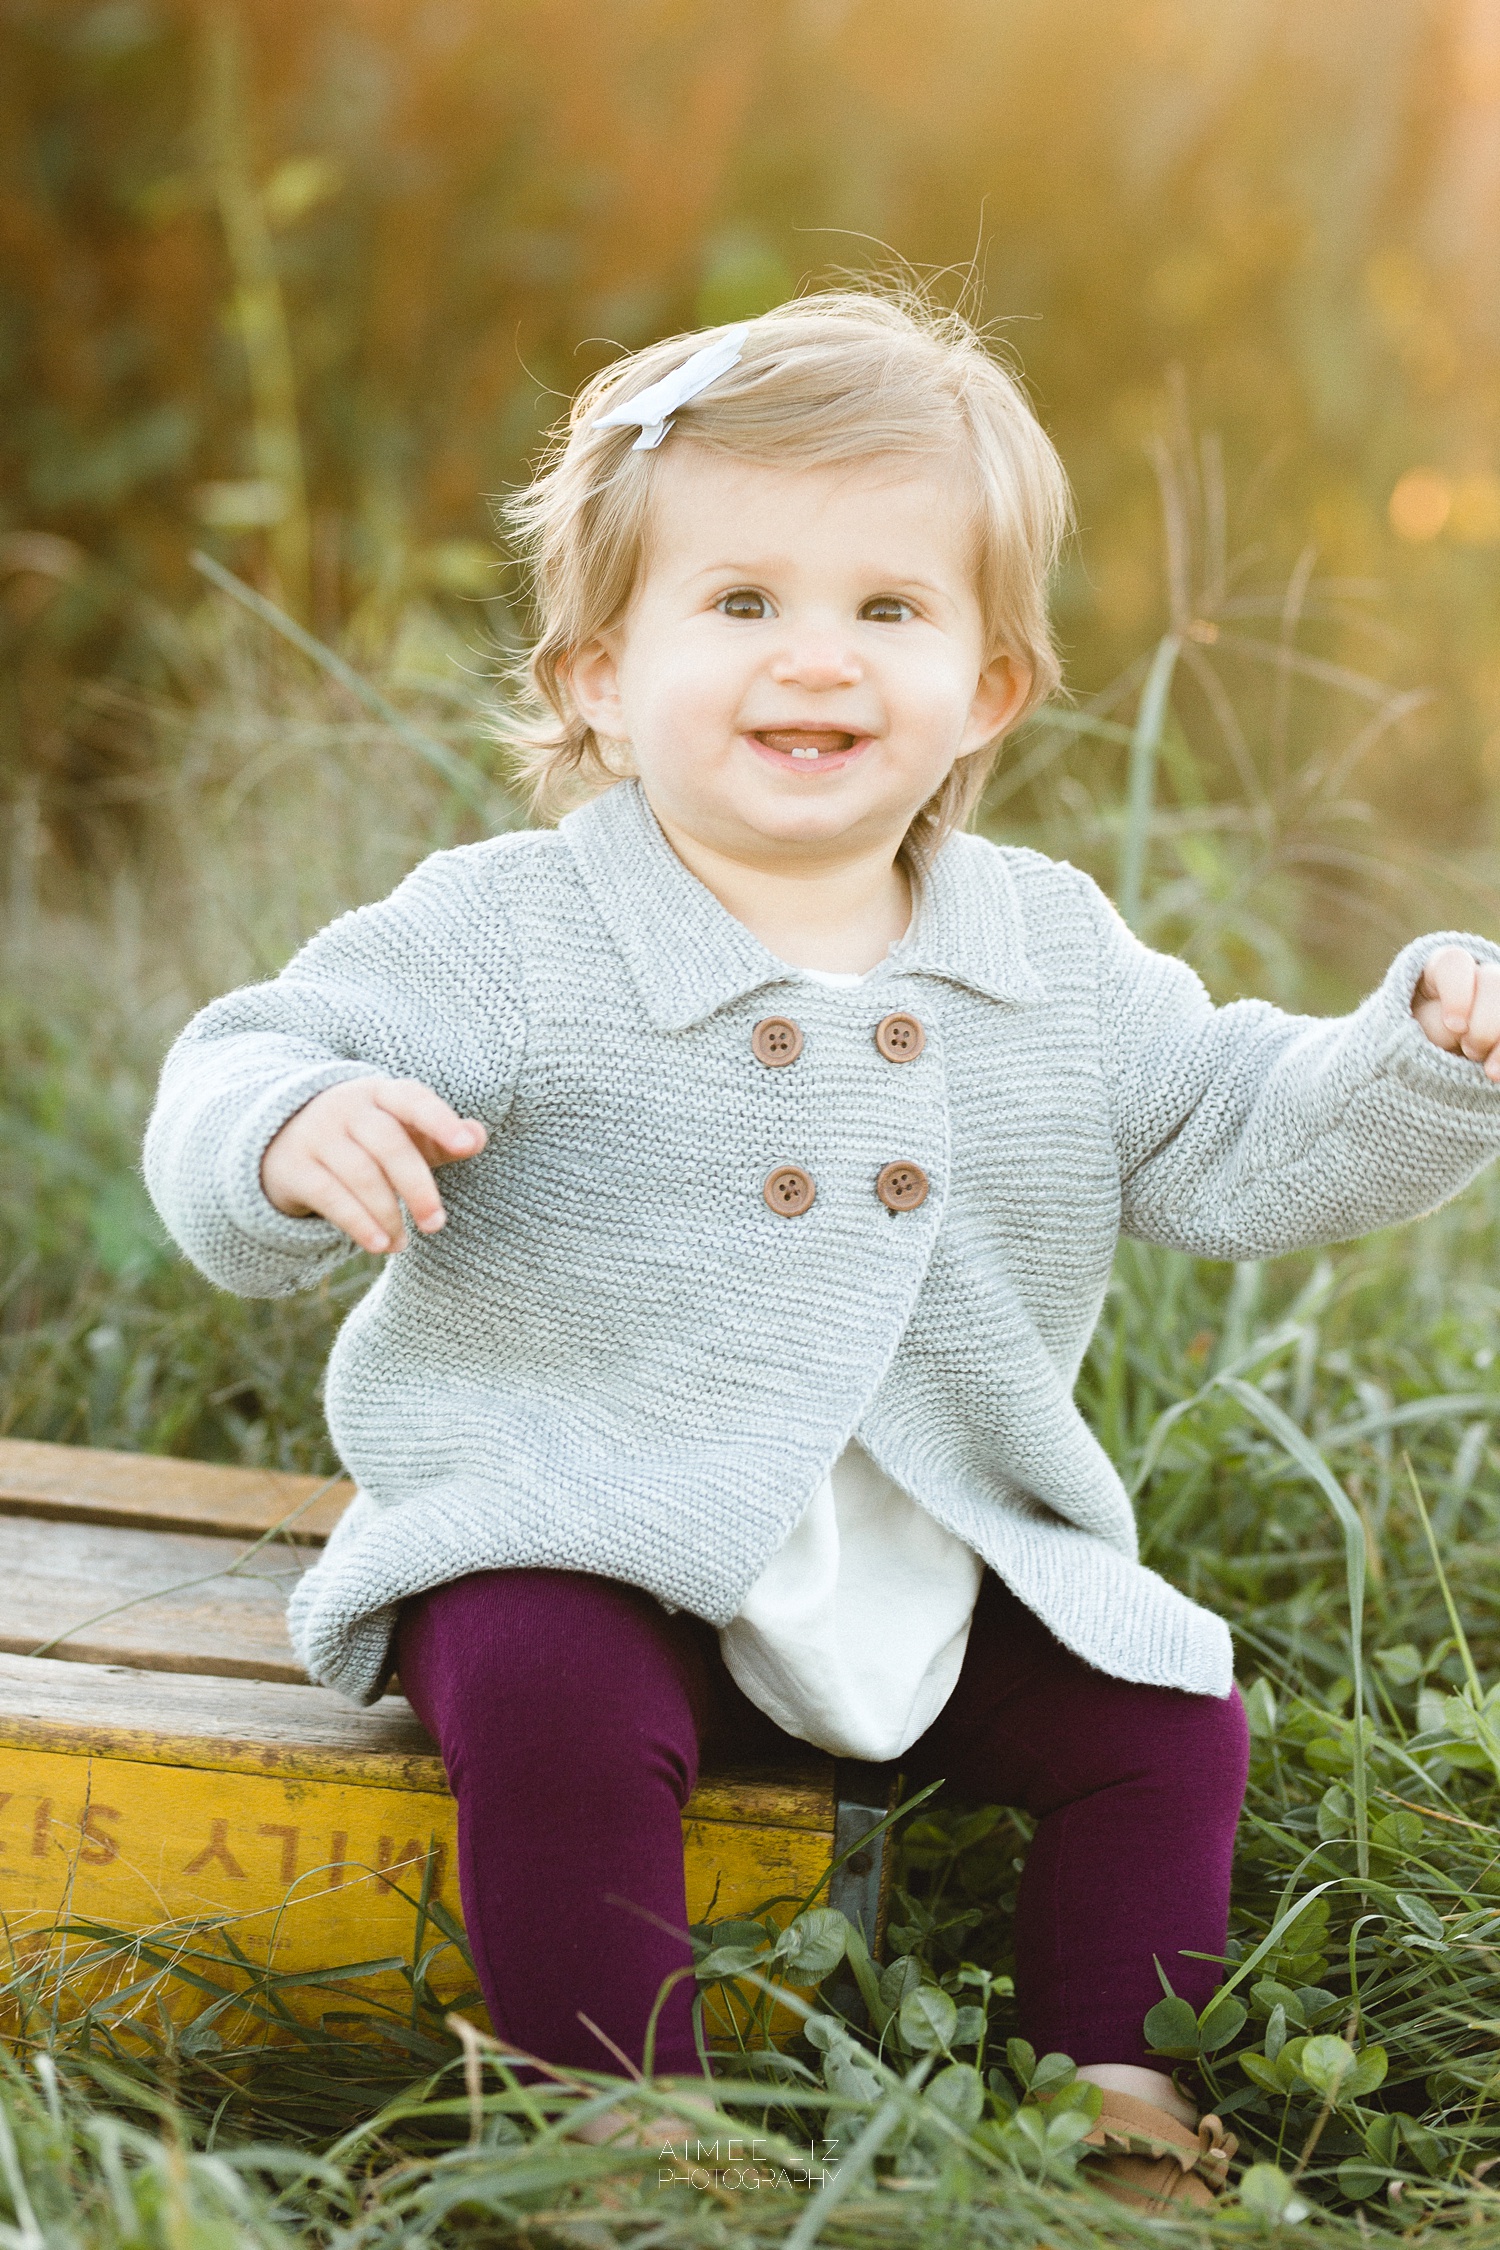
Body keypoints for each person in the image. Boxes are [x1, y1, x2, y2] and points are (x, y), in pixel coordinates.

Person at [144, 289, 1500, 2206]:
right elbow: (247, 1052)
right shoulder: (518, 933)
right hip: (589, 1523)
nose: (818, 659)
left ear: (991, 685)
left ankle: (1109, 2084)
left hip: (924, 1551)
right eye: (743, 603)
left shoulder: (1043, 952)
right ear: (602, 670)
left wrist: (1419, 1057)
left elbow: (1231, 1132)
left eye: (889, 610)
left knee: (1170, 1724)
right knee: (546, 1694)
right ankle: (617, 2120)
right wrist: (289, 1131)